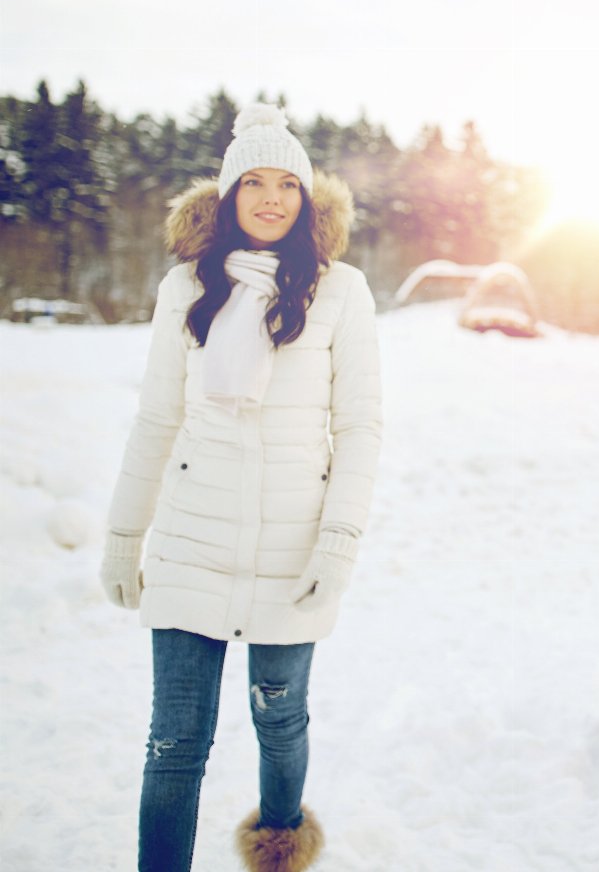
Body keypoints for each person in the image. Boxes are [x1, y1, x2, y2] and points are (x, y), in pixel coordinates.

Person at [98, 103, 382, 872]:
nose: (269, 197)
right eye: (251, 182)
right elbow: (157, 420)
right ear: (225, 196)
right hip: (193, 539)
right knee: (175, 739)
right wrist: (126, 535)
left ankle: (280, 845)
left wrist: (339, 538)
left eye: (286, 182)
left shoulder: (341, 291)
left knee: (280, 721)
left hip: (296, 546)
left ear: (305, 196)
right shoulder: (185, 288)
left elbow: (359, 428)